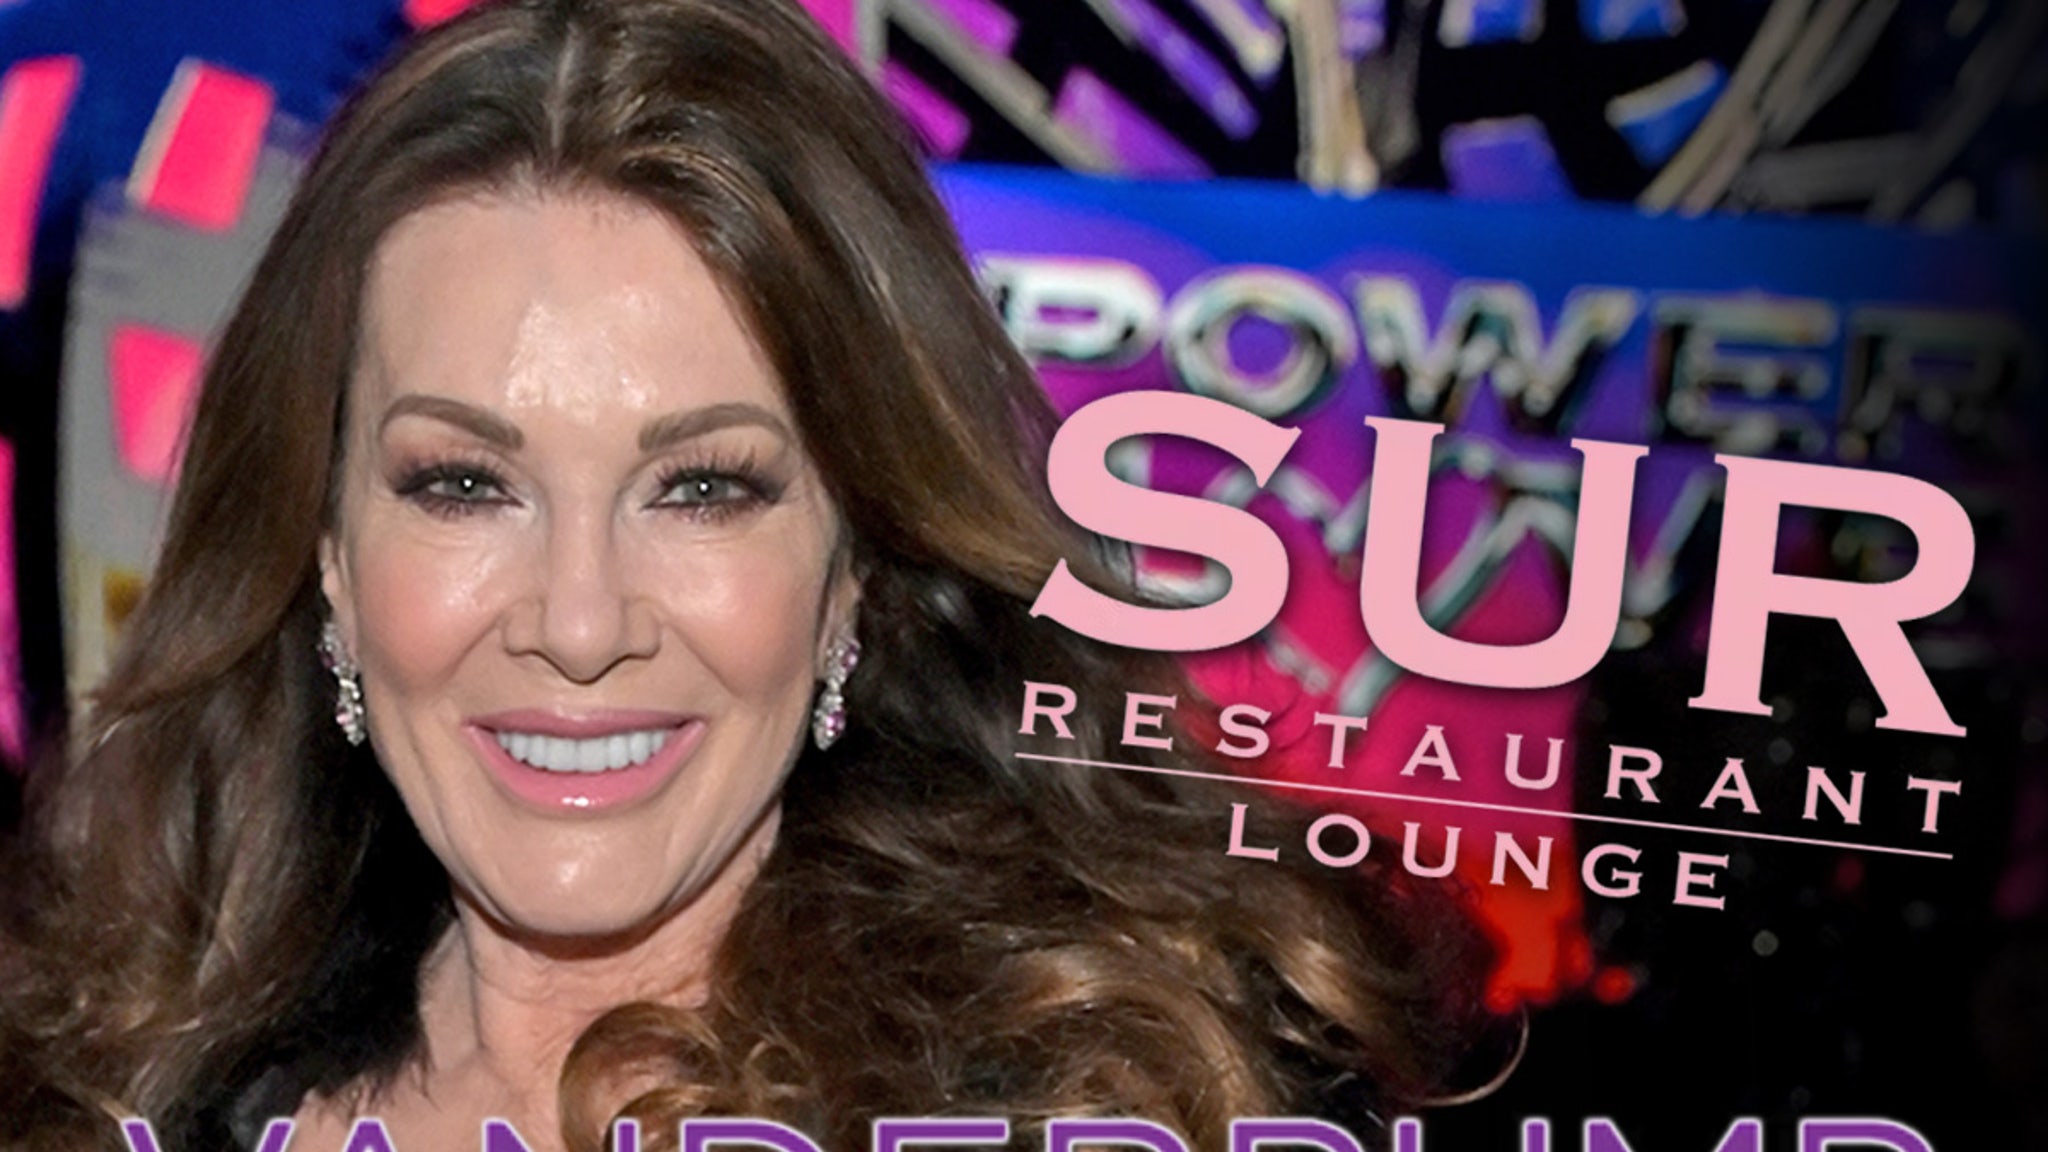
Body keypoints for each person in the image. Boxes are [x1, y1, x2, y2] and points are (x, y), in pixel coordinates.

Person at [0, 1, 1494, 1148]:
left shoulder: (1135, 1098)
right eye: (463, 485)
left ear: (858, 569)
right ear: (327, 551)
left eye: (704, 488)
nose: (579, 622)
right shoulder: (116, 1092)